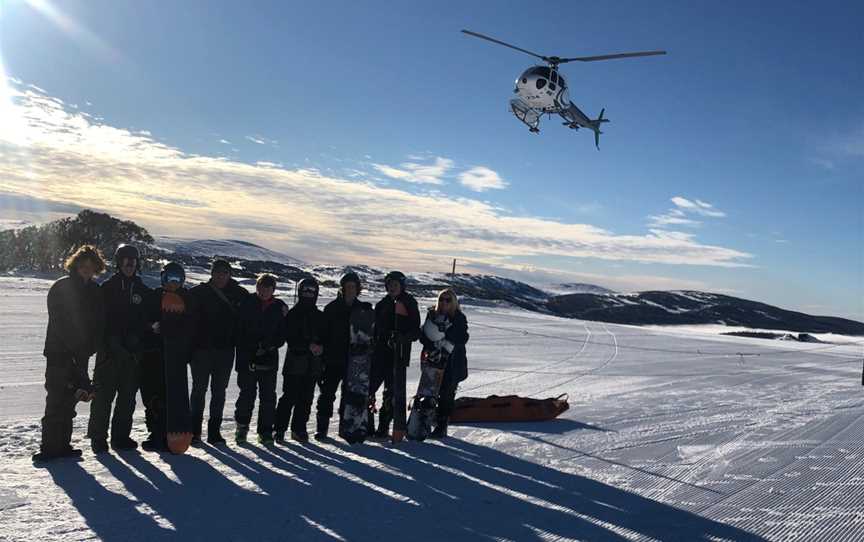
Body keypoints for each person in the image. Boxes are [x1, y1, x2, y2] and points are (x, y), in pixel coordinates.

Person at [34, 245, 106, 462]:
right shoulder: (61, 287)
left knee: (71, 401)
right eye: (83, 265)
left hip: (81, 354)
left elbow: (98, 323)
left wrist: (89, 347)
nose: (86, 269)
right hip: (59, 353)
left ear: (96, 268)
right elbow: (59, 322)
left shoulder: (95, 291)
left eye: (91, 266)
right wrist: (75, 348)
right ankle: (49, 448)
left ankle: (63, 445)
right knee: (56, 399)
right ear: (75, 265)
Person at [87, 244, 150, 454]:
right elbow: (97, 321)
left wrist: (137, 340)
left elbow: (148, 321)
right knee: (103, 398)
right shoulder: (107, 288)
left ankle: (121, 437)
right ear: (119, 262)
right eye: (125, 260)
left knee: (127, 398)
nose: (130, 264)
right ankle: (98, 438)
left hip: (132, 355)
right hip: (109, 353)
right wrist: (110, 343)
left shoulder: (143, 290)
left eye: (133, 261)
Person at [189, 259, 249, 445]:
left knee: (219, 392)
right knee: (199, 390)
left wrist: (280, 305)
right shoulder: (199, 292)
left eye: (224, 272)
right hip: (201, 351)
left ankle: (214, 431)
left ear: (229, 274)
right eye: (217, 272)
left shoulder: (239, 294)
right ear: (212, 273)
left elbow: (257, 305)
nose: (221, 276)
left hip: (225, 351)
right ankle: (194, 431)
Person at [140, 262, 198, 452]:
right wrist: (152, 327)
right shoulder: (153, 296)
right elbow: (142, 320)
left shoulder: (188, 298)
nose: (173, 283)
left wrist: (176, 331)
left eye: (177, 279)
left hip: (176, 357)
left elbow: (193, 326)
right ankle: (156, 433)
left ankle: (174, 431)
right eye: (169, 278)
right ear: (162, 278)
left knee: (174, 396)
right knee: (153, 396)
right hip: (153, 354)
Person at [314, 272, 371, 440]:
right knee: (327, 394)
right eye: (347, 286)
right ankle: (322, 429)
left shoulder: (363, 309)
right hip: (333, 359)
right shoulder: (331, 308)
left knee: (350, 396)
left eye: (353, 286)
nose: (350, 289)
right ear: (343, 288)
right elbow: (323, 333)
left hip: (355, 361)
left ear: (357, 289)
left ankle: (347, 427)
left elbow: (369, 335)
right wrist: (321, 353)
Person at [234, 274, 286, 445]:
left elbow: (282, 335)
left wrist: (269, 346)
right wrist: (249, 353)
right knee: (246, 395)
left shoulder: (279, 307)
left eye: (268, 288)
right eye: (261, 287)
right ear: (257, 287)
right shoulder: (246, 303)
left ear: (273, 290)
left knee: (268, 398)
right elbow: (238, 332)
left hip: (269, 360)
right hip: (247, 359)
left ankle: (265, 431)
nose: (264, 291)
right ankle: (242, 428)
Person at [370, 271, 420, 443]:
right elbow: (374, 329)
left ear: (402, 286)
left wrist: (402, 338)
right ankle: (368, 426)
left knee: (391, 394)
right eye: (389, 285)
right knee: (369, 389)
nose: (392, 288)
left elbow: (416, 331)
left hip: (398, 355)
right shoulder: (382, 304)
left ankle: (383, 428)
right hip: (379, 353)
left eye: (395, 285)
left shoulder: (409, 302)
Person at [275, 277, 325, 443]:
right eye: (305, 290)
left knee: (306, 398)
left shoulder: (320, 315)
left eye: (311, 291)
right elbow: (289, 337)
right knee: (289, 397)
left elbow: (326, 337)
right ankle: (280, 429)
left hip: (313, 364)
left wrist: (321, 347)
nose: (308, 294)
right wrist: (308, 345)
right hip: (295, 362)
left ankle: (299, 428)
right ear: (300, 292)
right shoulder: (292, 314)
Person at [418, 288, 470, 439]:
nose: (444, 302)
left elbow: (462, 337)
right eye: (441, 299)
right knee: (429, 392)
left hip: (453, 364)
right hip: (433, 360)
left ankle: (442, 425)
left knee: (446, 394)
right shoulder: (432, 314)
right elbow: (423, 334)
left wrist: (444, 333)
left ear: (454, 302)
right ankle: (426, 421)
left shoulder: (459, 318)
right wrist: (431, 343)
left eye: (448, 300)